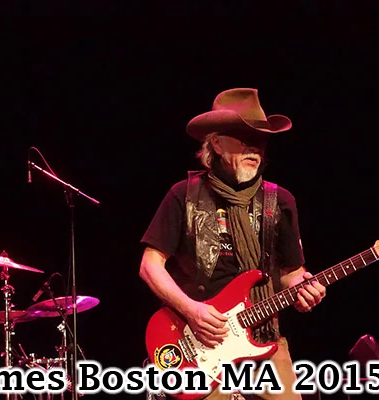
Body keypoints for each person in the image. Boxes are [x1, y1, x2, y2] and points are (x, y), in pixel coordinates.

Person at [139, 88, 327, 400]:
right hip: (200, 341)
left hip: (263, 338)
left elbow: (291, 273)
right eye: (244, 138)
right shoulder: (184, 195)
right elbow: (150, 265)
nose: (255, 147)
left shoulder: (280, 201)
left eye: (261, 139)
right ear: (216, 142)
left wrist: (304, 289)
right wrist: (192, 310)